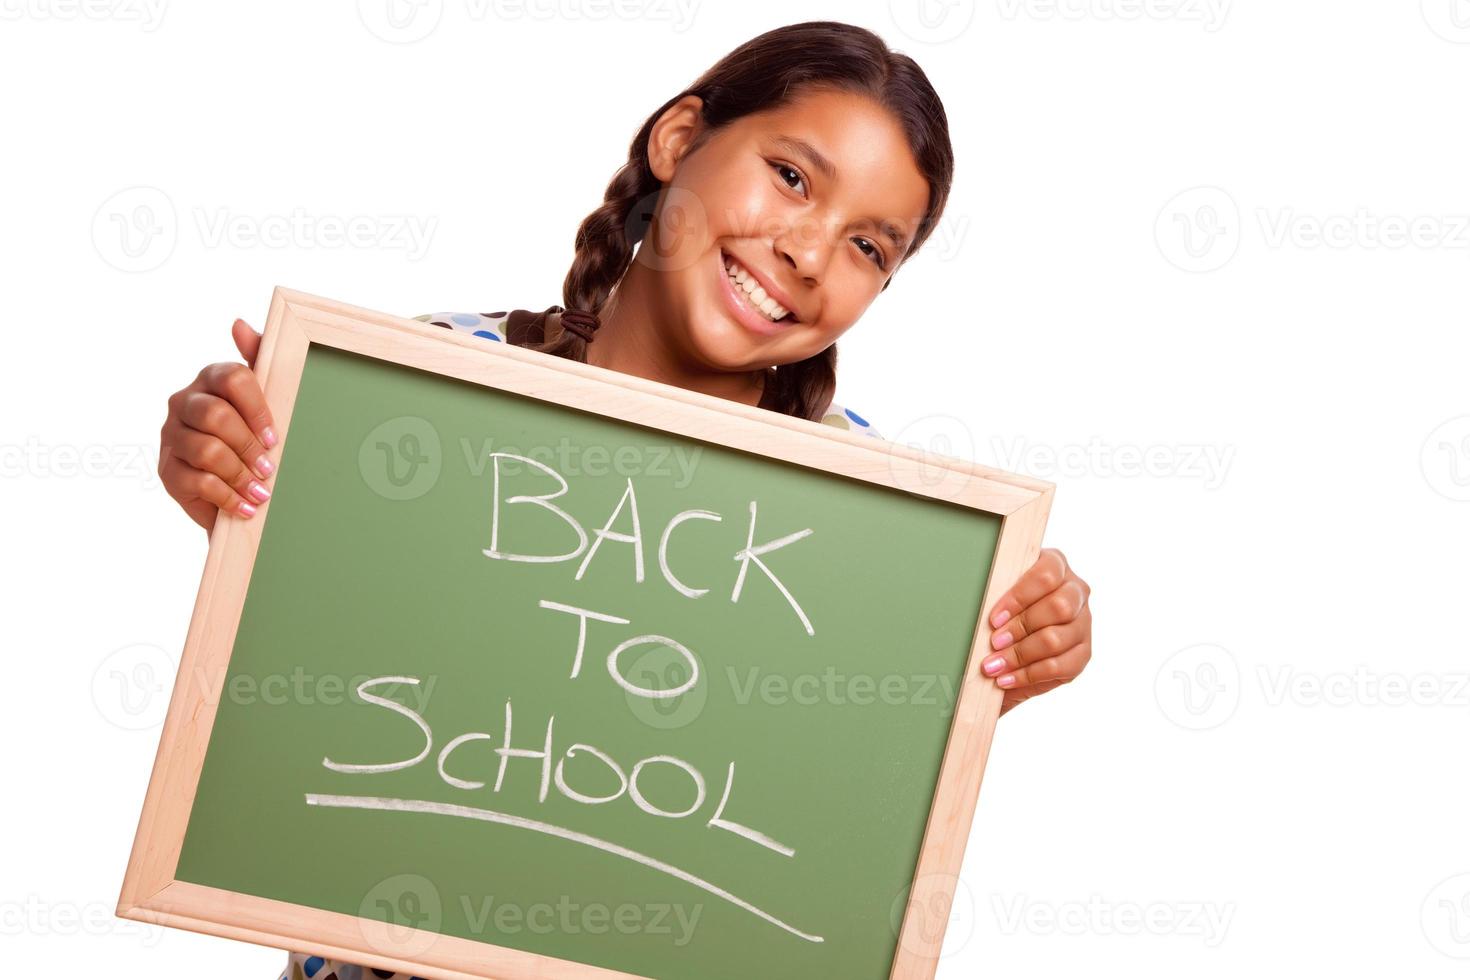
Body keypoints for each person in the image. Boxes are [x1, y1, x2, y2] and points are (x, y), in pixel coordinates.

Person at [155, 21, 1093, 980]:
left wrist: (1000, 659)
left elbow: (840, 802)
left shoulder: (885, 535)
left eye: (867, 246)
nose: (811, 252)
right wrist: (235, 476)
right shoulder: (430, 387)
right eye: (794, 177)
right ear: (679, 140)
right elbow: (320, 661)